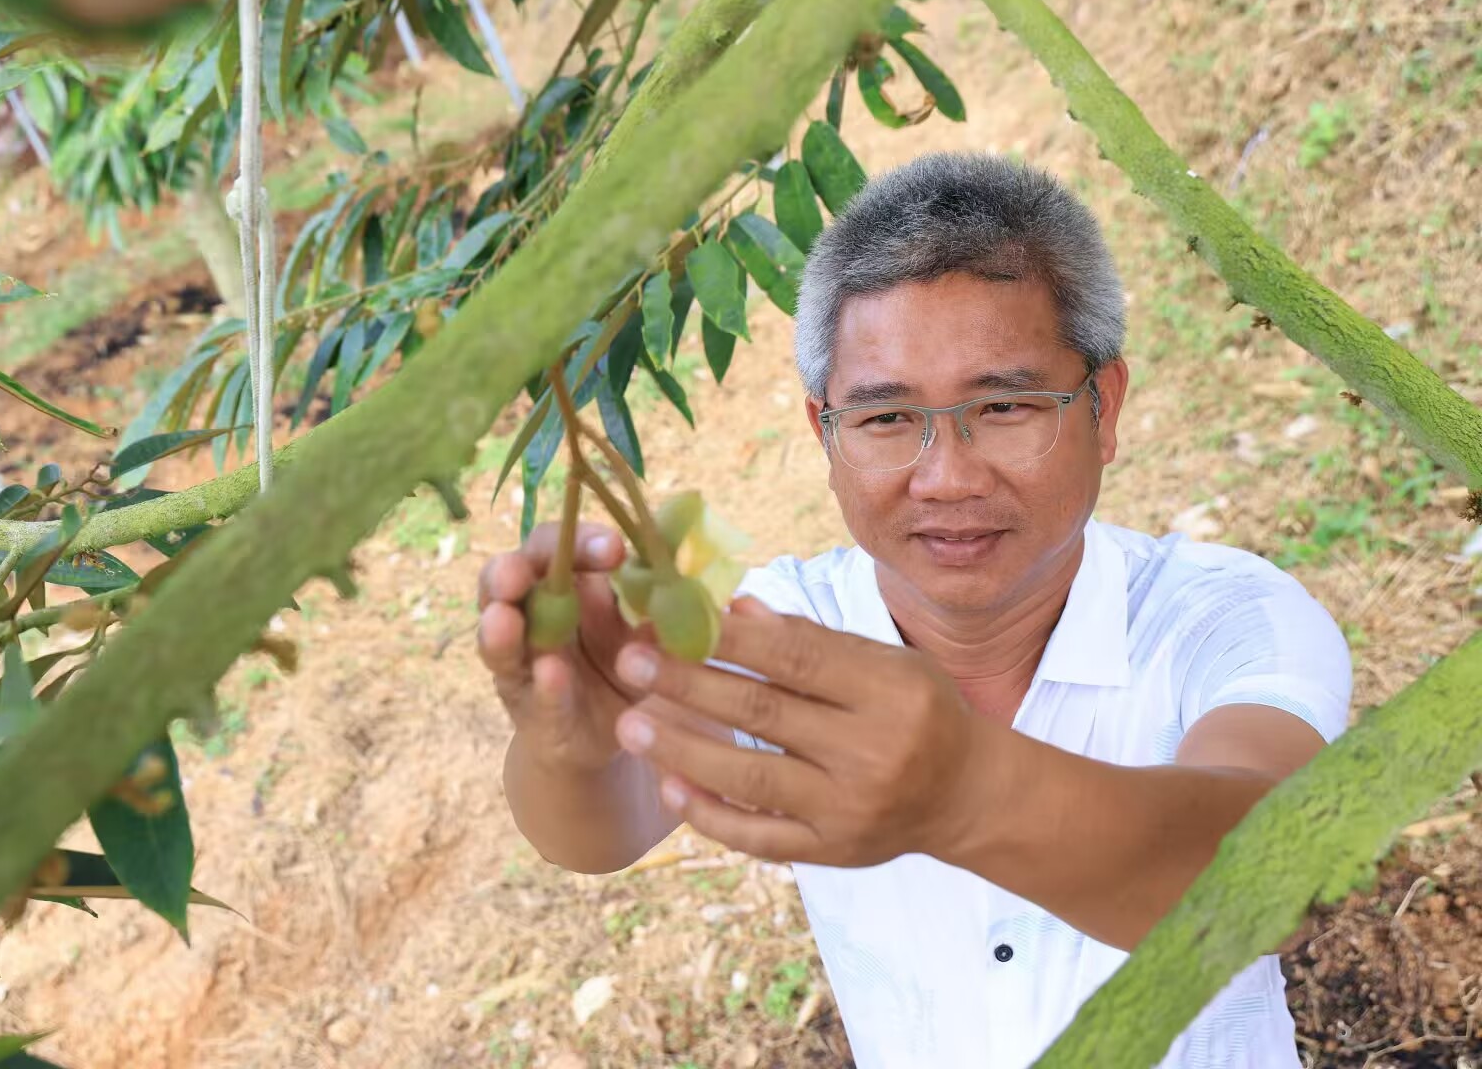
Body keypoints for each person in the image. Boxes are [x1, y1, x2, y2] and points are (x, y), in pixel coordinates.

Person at [475, 151, 1352, 1067]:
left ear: (1106, 405)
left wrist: (965, 794)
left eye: (1006, 405)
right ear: (826, 433)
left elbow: (1270, 875)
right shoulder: (776, 632)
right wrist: (574, 747)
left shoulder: (1227, 617)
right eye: (887, 420)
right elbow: (599, 832)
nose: (946, 479)